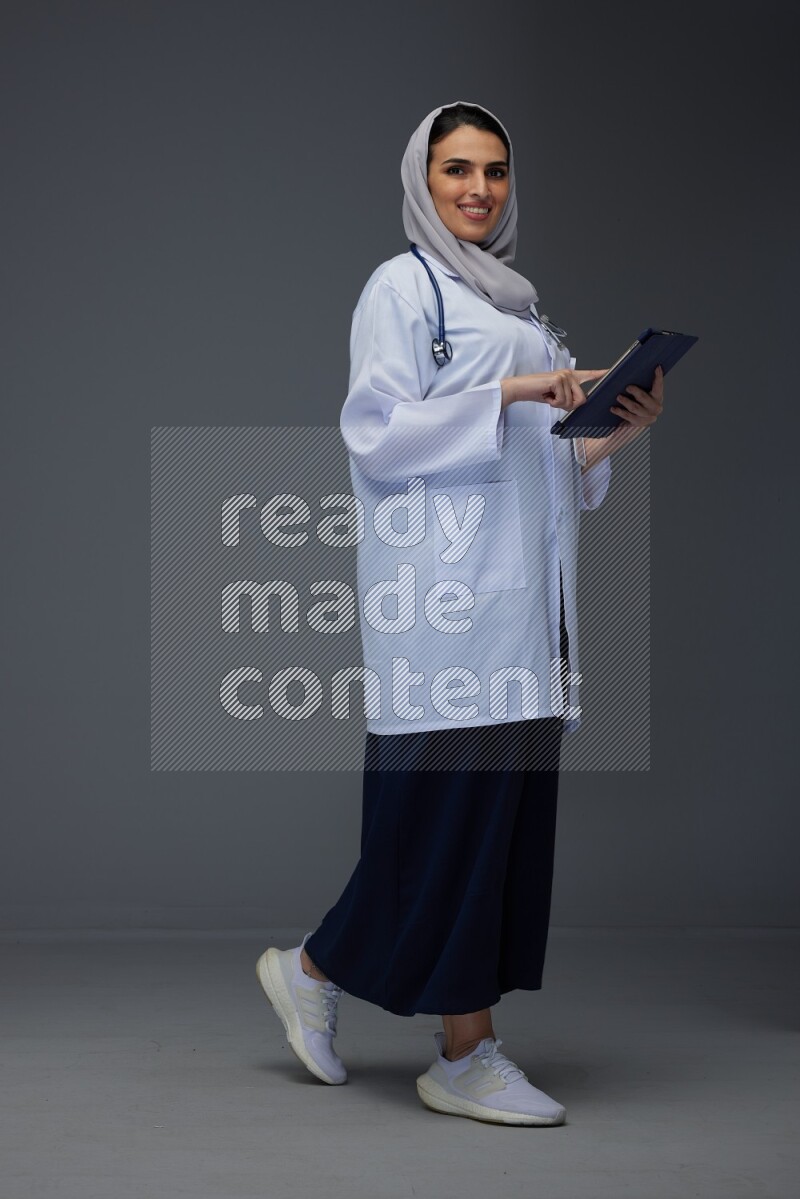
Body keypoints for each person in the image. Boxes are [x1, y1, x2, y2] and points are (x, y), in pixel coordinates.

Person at [256, 100, 664, 1126]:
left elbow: (548, 467)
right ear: (420, 181)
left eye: (492, 171)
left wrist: (609, 428)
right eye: (454, 170)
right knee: (446, 828)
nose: (477, 189)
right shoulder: (400, 290)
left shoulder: (518, 304)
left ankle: (323, 975)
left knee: (489, 831)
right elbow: (376, 434)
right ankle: (461, 1048)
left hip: (525, 611)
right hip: (444, 605)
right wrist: (520, 388)